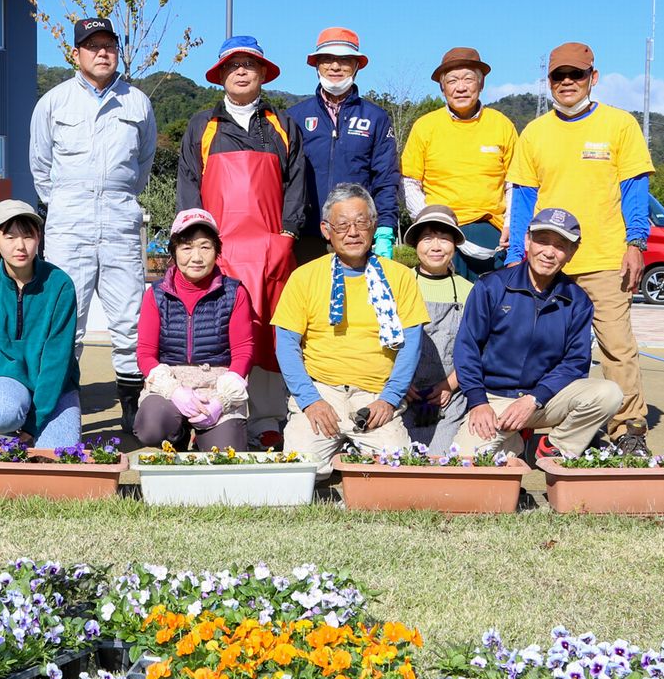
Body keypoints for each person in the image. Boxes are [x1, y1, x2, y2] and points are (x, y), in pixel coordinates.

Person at [506, 42, 655, 456]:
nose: (567, 82)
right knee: (535, 345)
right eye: (558, 76)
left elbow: (634, 191)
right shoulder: (534, 132)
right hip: (545, 262)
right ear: (549, 81)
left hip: (605, 258)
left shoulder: (620, 125)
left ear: (594, 77)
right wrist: (518, 256)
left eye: (576, 74)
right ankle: (539, 424)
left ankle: (629, 429)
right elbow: (522, 200)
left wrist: (636, 243)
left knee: (616, 346)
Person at [30, 17, 157, 434]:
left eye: (109, 45)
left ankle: (131, 410)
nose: (102, 53)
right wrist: (71, 204)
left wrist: (115, 201)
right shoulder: (53, 103)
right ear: (76, 53)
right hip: (69, 224)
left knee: (130, 318)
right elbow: (41, 170)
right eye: (92, 46)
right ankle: (64, 408)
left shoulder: (138, 103)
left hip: (121, 220)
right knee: (68, 317)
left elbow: (142, 167)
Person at [177, 35, 306, 445]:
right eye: (234, 65)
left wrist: (288, 233)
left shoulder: (283, 125)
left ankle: (267, 418)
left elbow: (297, 183)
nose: (242, 71)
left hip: (272, 250)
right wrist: (199, 244)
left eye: (250, 64)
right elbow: (189, 187)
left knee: (269, 330)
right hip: (221, 251)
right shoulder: (202, 126)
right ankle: (218, 413)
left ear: (264, 73)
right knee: (222, 330)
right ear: (221, 76)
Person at [272, 183, 428, 479]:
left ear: (373, 225)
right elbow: (286, 345)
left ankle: (354, 456)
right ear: (326, 230)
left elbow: (412, 343)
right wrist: (310, 401)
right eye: (342, 225)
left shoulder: (400, 276)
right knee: (298, 472)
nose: (353, 233)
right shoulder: (304, 277)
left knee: (398, 473)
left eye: (361, 223)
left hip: (375, 395)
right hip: (322, 391)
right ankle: (342, 456)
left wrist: (389, 398)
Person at [452, 208, 623, 458]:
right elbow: (467, 348)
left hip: (543, 400)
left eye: (560, 245)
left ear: (572, 252)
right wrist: (478, 402)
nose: (549, 252)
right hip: (494, 399)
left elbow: (575, 363)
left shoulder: (578, 301)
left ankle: (554, 447)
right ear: (528, 241)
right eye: (542, 241)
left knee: (608, 393)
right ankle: (515, 444)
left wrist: (534, 399)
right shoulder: (491, 286)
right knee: (464, 459)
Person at [0, 200, 81, 448]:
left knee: (59, 456)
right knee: (2, 412)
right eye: (10, 237)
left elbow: (57, 361)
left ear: (38, 237)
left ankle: (24, 434)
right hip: (9, 381)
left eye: (28, 236)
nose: (20, 246)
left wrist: (33, 423)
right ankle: (8, 434)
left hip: (55, 388)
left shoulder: (60, 285)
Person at [135, 208, 254, 451]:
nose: (196, 257)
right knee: (151, 426)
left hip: (217, 382)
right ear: (174, 251)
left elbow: (243, 350)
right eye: (187, 247)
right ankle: (177, 435)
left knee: (226, 454)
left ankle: (205, 436)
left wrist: (221, 401)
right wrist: (175, 391)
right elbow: (145, 353)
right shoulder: (156, 295)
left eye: (205, 246)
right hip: (172, 380)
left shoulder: (235, 293)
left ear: (217, 250)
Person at [401, 48, 517, 282]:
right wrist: (430, 220)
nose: (461, 87)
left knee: (491, 307)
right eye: (452, 80)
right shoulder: (425, 126)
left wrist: (511, 226)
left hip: (492, 234)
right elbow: (409, 182)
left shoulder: (501, 125)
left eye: (468, 79)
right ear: (442, 88)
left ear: (481, 84)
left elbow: (513, 183)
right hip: (441, 233)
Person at [286, 27, 399, 265]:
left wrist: (386, 227)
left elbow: (386, 178)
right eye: (327, 60)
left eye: (344, 60)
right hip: (306, 235)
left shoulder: (376, 118)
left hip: (356, 233)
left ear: (357, 66)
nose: (335, 67)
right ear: (316, 65)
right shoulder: (293, 116)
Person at [400, 205, 474, 454]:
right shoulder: (398, 283)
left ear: (454, 244)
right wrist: (399, 384)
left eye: (444, 238)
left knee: (439, 457)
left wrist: (449, 385)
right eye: (428, 237)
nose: (436, 246)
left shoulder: (469, 291)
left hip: (449, 396)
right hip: (401, 393)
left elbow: (478, 349)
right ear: (416, 243)